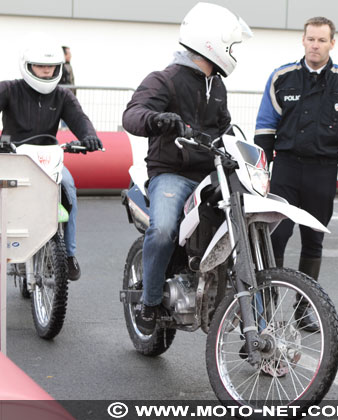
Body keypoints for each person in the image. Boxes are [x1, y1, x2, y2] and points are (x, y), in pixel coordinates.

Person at [122, 2, 252, 335]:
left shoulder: (217, 84)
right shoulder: (164, 79)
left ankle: (253, 320)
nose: (234, 51)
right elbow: (133, 115)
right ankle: (149, 303)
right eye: (231, 44)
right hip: (172, 173)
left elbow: (224, 128)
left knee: (247, 222)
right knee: (164, 228)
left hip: (212, 174)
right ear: (212, 42)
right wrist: (157, 120)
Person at [254, 17, 338, 332]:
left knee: (313, 241)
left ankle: (304, 309)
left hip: (323, 172)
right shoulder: (282, 78)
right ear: (302, 41)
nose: (315, 46)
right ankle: (265, 311)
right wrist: (260, 173)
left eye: (321, 40)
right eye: (310, 40)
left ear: (332, 43)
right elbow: (264, 129)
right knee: (275, 237)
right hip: (286, 170)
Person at [0, 42, 103, 280]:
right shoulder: (9, 90)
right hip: (13, 159)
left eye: (51, 66)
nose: (46, 71)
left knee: (68, 188)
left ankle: (67, 254)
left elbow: (79, 118)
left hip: (48, 160)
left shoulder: (63, 95)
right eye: (40, 65)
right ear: (27, 66)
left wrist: (89, 137)